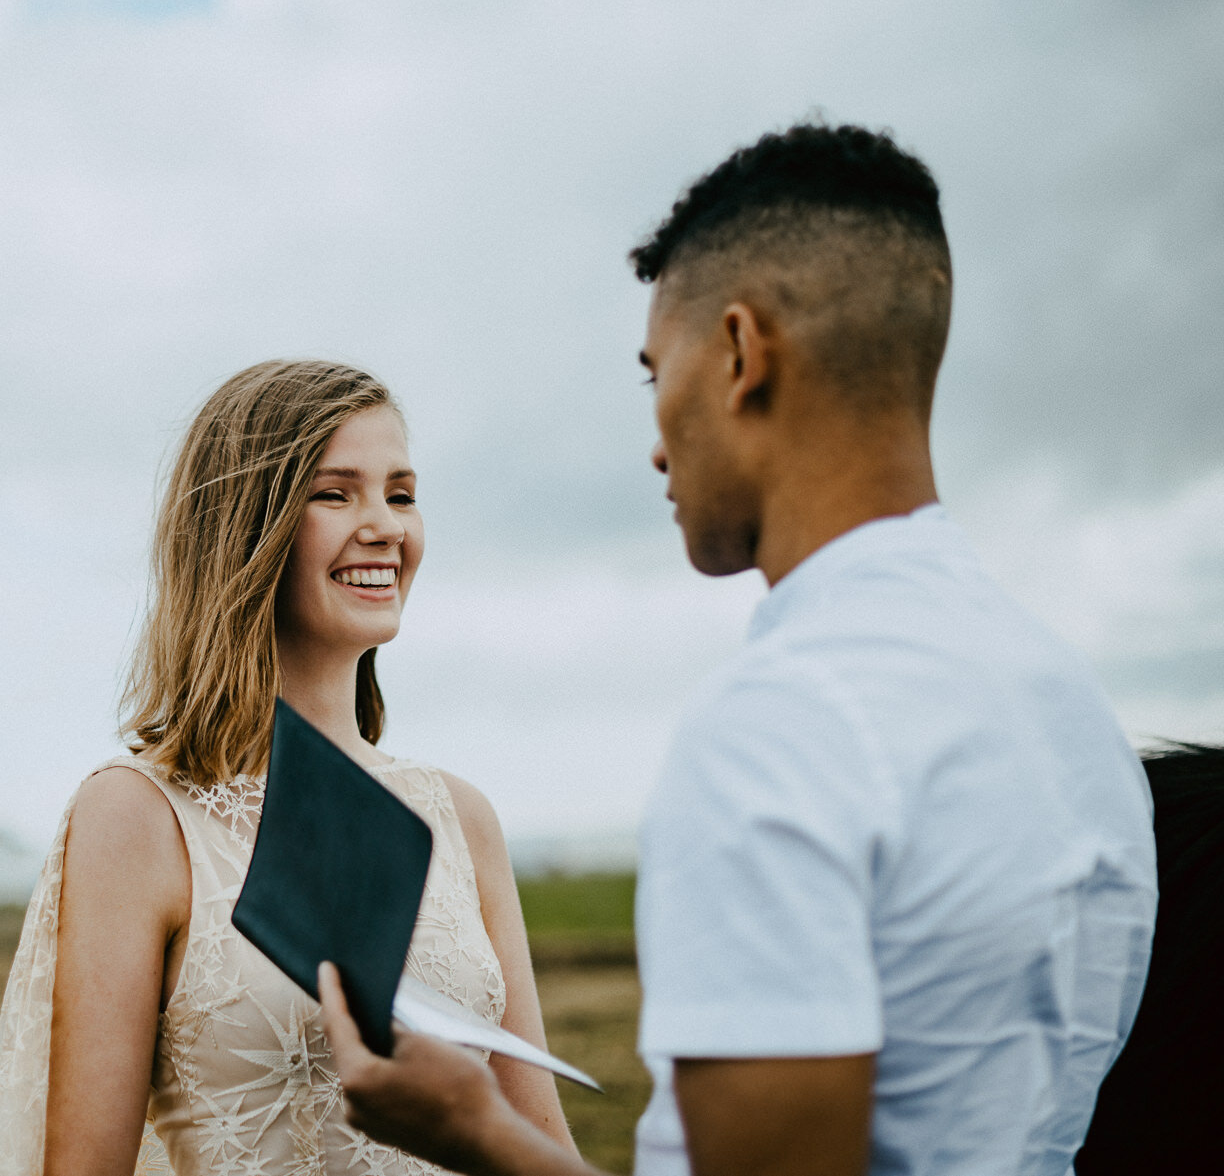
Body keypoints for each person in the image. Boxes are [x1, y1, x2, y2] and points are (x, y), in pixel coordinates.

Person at [317, 123, 1159, 1176]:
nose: (659, 441)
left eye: (654, 373)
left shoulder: (778, 730)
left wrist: (477, 1133)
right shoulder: (1072, 712)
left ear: (740, 353)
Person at [0, 359, 578, 1175]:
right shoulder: (138, 816)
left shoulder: (461, 819)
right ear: (246, 528)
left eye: (400, 493)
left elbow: (545, 1146)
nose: (386, 525)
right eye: (336, 493)